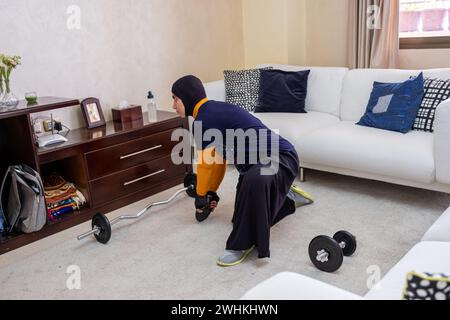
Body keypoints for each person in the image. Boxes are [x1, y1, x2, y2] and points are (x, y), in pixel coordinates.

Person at [171, 75, 313, 267]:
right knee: (239, 218)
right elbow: (216, 162)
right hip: (261, 166)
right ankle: (287, 197)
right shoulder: (211, 111)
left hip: (280, 157)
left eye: (175, 99)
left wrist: (201, 196)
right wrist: (210, 192)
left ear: (187, 98)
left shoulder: (204, 119)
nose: (173, 105)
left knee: (253, 183)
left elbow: (205, 165)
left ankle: (241, 245)